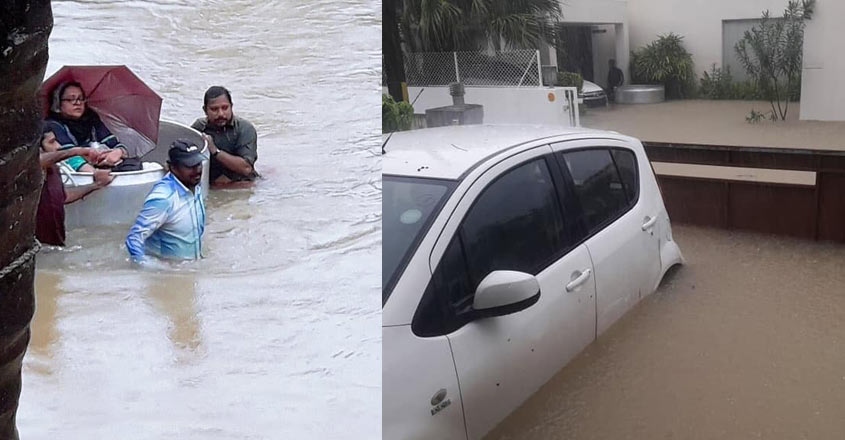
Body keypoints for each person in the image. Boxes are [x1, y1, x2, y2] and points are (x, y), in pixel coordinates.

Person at [126, 139, 207, 263]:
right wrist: (156, 270)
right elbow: (134, 239)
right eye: (189, 166)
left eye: (198, 164)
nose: (197, 170)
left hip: (191, 269)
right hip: (170, 271)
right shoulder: (163, 198)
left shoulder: (195, 185)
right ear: (173, 168)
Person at [36, 128, 114, 246]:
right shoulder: (29, 170)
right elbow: (37, 161)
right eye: (51, 142)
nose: (57, 146)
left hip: (54, 240)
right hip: (36, 245)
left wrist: (95, 185)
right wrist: (75, 151)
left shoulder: (53, 169)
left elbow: (62, 197)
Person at [44, 81, 128, 172]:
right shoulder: (52, 125)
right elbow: (68, 155)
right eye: (70, 99)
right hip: (75, 176)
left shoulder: (91, 118)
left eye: (81, 98)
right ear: (58, 103)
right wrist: (94, 172)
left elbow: (115, 144)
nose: (77, 103)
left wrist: (118, 152)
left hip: (104, 169)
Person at [191, 86, 259, 185]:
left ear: (231, 106)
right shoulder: (199, 128)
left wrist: (215, 151)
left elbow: (246, 168)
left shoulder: (244, 129)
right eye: (214, 109)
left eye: (225, 108)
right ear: (205, 110)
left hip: (241, 185)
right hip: (211, 186)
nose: (221, 114)